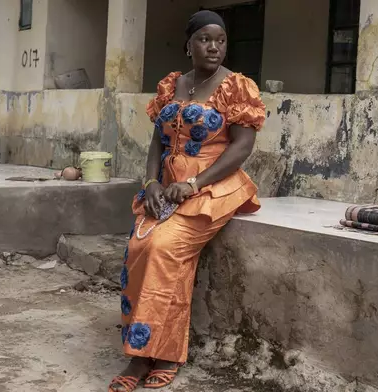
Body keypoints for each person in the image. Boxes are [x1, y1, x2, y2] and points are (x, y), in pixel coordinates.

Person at [108, 10, 265, 392]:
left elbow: (241, 147)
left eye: (221, 40)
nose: (214, 47)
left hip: (214, 186)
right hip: (167, 188)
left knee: (164, 247)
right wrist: (150, 183)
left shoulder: (237, 87)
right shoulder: (172, 85)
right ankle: (141, 345)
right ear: (188, 44)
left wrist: (195, 182)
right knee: (137, 245)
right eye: (205, 39)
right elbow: (157, 143)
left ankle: (157, 354)